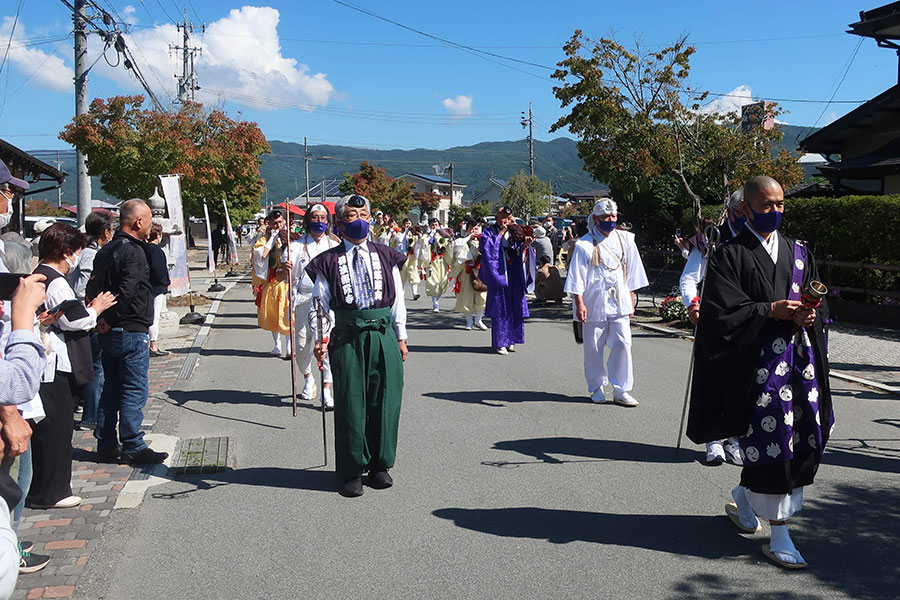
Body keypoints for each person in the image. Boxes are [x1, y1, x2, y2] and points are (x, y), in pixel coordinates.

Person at [687, 176, 833, 570]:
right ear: (746, 208)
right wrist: (768, 310)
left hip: (798, 364)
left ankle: (744, 494)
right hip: (758, 369)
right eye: (767, 205)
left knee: (804, 436)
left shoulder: (798, 251)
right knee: (774, 440)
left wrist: (807, 313)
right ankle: (780, 533)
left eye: (781, 204)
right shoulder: (729, 255)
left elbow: (814, 301)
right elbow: (721, 315)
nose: (776, 212)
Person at [305, 194, 408, 498]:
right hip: (348, 335)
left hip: (382, 333)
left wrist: (401, 337)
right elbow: (319, 304)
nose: (360, 219)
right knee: (351, 401)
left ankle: (380, 465)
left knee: (385, 400)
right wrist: (321, 338)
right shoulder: (327, 261)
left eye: (364, 213)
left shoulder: (387, 254)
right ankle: (351, 469)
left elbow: (398, 300)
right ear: (339, 222)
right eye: (352, 214)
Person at [29, 224, 116, 507]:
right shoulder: (55, 280)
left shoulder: (41, 276)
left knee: (54, 426)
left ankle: (50, 488)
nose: (77, 258)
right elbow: (74, 319)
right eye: (76, 252)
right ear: (66, 253)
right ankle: (52, 491)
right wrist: (97, 308)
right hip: (51, 363)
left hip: (47, 359)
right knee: (56, 427)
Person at [88, 199, 168, 465]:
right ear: (138, 222)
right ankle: (133, 443)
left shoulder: (106, 249)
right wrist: (110, 318)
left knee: (110, 388)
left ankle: (107, 443)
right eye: (146, 221)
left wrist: (101, 318)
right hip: (130, 328)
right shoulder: (133, 252)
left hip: (107, 329)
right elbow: (129, 289)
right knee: (133, 388)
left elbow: (93, 286)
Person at [679, 189, 746, 465]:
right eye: (742, 213)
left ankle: (735, 438)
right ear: (730, 212)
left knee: (742, 382)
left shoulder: (761, 240)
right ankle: (714, 440)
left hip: (748, 319)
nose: (747, 218)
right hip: (715, 318)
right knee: (714, 380)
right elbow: (689, 278)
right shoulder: (711, 240)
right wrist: (692, 304)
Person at [564, 199, 648, 406]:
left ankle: (621, 388)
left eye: (613, 216)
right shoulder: (584, 244)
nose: (610, 220)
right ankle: (596, 386)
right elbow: (577, 276)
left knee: (623, 342)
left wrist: (631, 295)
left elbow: (631, 269)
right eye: (605, 217)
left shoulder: (626, 240)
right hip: (593, 300)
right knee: (593, 346)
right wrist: (579, 302)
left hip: (618, 299)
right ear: (595, 219)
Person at [283, 203, 340, 408]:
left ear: (328, 221)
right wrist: (286, 268)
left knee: (326, 346)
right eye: (314, 217)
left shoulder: (335, 246)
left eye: (323, 218)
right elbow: (283, 276)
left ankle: (327, 389)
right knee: (300, 346)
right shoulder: (295, 246)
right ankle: (308, 378)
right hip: (302, 301)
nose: (319, 222)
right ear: (308, 220)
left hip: (326, 304)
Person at [479, 206, 532, 355]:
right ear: (497, 217)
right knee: (500, 308)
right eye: (503, 218)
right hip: (499, 275)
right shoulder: (489, 232)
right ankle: (500, 342)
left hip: (514, 273)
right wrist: (501, 234)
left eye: (509, 218)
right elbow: (485, 248)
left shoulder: (515, 231)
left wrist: (525, 245)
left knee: (514, 306)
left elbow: (519, 250)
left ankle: (512, 340)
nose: (506, 221)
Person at [256, 211, 291, 356]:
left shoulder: (290, 236)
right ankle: (277, 345)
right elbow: (260, 256)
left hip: (287, 281)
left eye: (280, 222)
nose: (278, 225)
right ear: (269, 223)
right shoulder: (264, 239)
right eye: (275, 223)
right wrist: (272, 241)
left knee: (288, 314)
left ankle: (289, 346)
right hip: (271, 281)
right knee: (272, 314)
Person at [449, 219, 487, 331]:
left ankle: (478, 319)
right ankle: (469, 321)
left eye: (476, 228)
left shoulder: (482, 240)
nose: (473, 231)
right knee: (467, 296)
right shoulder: (461, 240)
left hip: (480, 271)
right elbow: (457, 248)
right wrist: (468, 238)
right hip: (466, 271)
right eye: (471, 228)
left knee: (482, 295)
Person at [146, 223, 171, 357]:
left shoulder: (142, 248)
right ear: (158, 235)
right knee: (154, 317)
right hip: (156, 287)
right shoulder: (156, 250)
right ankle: (153, 345)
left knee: (148, 315)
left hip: (145, 287)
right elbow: (160, 270)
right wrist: (166, 282)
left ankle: (147, 344)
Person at [424, 218, 450, 312]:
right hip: (432, 260)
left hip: (442, 260)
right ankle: (435, 304)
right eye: (432, 225)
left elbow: (447, 246)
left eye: (436, 225)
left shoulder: (444, 235)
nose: (434, 227)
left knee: (442, 282)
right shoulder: (427, 235)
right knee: (433, 281)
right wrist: (430, 237)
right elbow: (424, 245)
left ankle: (437, 299)